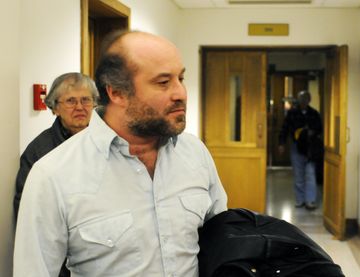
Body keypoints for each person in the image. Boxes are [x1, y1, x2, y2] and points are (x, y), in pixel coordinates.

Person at [14, 30, 228, 277]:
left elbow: (221, 242)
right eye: (163, 82)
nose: (180, 93)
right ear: (116, 93)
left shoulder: (195, 154)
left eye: (180, 78)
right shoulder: (53, 175)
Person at [14, 72, 98, 277]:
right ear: (55, 108)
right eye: (71, 101)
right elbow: (29, 218)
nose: (80, 107)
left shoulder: (109, 143)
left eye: (85, 100)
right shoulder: (39, 153)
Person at [278, 90, 322, 210]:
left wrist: (312, 132)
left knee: (310, 174)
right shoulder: (292, 113)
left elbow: (320, 129)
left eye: (305, 99)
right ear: (298, 100)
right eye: (301, 99)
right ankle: (300, 199)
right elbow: (284, 129)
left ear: (309, 100)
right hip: (296, 147)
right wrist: (281, 143)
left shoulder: (314, 113)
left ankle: (310, 201)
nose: (303, 101)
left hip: (310, 149)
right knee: (298, 176)